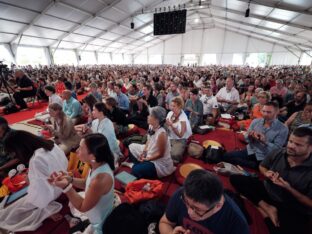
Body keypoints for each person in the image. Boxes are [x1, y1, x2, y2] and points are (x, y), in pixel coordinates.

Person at [230, 127, 312, 234]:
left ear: (310, 148)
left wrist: (289, 188)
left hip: (291, 205)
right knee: (235, 178)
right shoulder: (279, 152)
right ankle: (266, 207)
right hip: (268, 190)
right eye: (291, 141)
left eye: (298, 145)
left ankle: (260, 207)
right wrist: (266, 173)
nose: (291, 146)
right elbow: (262, 166)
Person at [0, 130, 68, 232]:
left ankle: (46, 212)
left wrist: (29, 181)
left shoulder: (36, 159)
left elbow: (41, 192)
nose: (15, 156)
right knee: (10, 209)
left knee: (7, 215)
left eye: (14, 152)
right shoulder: (51, 144)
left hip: (52, 192)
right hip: (61, 184)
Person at [49, 134, 115, 234]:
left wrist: (66, 187)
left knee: (75, 204)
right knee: (74, 200)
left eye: (81, 148)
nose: (77, 150)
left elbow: (82, 207)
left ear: (92, 156)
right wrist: (70, 179)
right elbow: (86, 183)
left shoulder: (100, 179)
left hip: (101, 225)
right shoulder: (98, 164)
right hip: (96, 213)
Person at [159, 169, 249, 234]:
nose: (189, 212)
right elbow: (165, 222)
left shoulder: (236, 222)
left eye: (197, 209)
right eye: (186, 202)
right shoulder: (181, 194)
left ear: (218, 205)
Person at [222, 102, 289, 169]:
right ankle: (254, 166)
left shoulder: (283, 128)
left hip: (265, 156)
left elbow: (277, 150)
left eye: (269, 112)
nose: (265, 114)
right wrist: (250, 136)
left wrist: (265, 141)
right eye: (263, 111)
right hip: (251, 150)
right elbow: (246, 139)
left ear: (277, 112)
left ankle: (257, 166)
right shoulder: (256, 121)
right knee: (225, 156)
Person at [127, 106, 175, 179]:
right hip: (150, 150)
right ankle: (139, 165)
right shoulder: (151, 126)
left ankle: (139, 166)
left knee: (135, 170)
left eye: (150, 115)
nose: (148, 116)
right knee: (131, 146)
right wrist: (144, 153)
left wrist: (147, 159)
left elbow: (160, 154)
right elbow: (148, 140)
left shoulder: (162, 133)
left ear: (157, 120)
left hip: (159, 162)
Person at [166, 97, 192, 163]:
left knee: (175, 155)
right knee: (158, 148)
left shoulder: (183, 119)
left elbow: (180, 135)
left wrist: (172, 126)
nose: (171, 108)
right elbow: (166, 126)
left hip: (180, 139)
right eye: (171, 105)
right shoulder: (170, 113)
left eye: (174, 106)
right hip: (170, 136)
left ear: (179, 106)